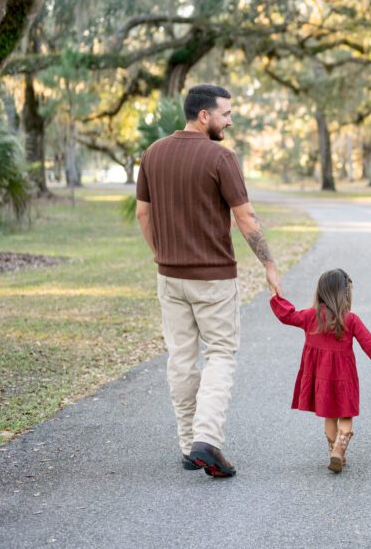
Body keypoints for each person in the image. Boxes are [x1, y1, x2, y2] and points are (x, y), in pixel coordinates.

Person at [135, 83, 282, 478]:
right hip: (213, 279)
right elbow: (246, 218)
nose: (230, 121)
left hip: (170, 277)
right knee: (219, 354)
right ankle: (206, 440)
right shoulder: (221, 157)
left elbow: (143, 215)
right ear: (204, 116)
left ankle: (188, 447)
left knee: (181, 359)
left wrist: (159, 253)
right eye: (226, 114)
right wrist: (268, 264)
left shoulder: (153, 154)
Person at [269, 269, 371, 473]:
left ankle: (334, 451)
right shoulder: (350, 319)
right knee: (345, 416)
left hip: (321, 379)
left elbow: (287, 316)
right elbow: (369, 343)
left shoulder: (310, 316)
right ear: (345, 295)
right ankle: (339, 450)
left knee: (329, 416)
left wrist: (275, 297)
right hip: (345, 378)